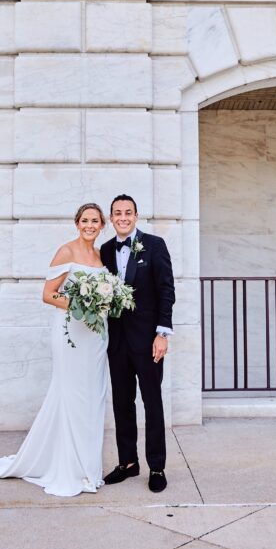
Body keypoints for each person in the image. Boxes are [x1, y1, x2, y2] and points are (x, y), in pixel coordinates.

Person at [0, 203, 109, 498]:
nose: (90, 225)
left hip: (95, 337)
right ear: (76, 223)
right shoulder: (66, 251)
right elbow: (48, 294)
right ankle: (69, 469)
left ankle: (88, 468)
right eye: (85, 220)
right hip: (70, 333)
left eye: (95, 221)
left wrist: (103, 304)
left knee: (93, 398)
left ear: (102, 225)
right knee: (70, 396)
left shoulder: (100, 255)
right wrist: (81, 305)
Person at [100, 194, 175, 493]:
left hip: (148, 341)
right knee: (121, 403)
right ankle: (128, 463)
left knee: (152, 402)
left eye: (128, 212)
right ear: (111, 217)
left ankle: (157, 466)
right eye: (117, 213)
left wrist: (162, 334)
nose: (123, 217)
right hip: (116, 342)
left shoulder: (154, 245)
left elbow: (166, 289)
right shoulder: (104, 250)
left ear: (136, 215)